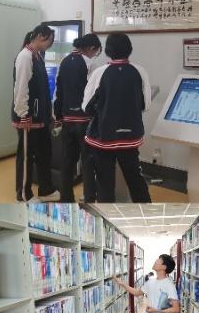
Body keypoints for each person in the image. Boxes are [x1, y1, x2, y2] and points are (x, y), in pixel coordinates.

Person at [83, 32, 153, 203]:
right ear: (129, 49)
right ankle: (146, 212)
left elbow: (86, 106)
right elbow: (146, 104)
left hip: (103, 137)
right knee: (135, 179)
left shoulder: (99, 73)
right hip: (130, 137)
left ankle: (107, 214)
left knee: (105, 183)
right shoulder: (140, 71)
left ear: (108, 50)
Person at [13, 24, 60, 203]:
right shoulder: (25, 56)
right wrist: (23, 114)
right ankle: (23, 194)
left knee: (44, 154)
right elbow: (21, 88)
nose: (50, 45)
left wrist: (50, 113)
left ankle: (46, 190)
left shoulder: (37, 55)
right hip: (28, 118)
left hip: (41, 117)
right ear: (40, 36)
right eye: (49, 41)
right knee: (26, 157)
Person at [54, 33, 103, 202]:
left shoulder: (65, 61)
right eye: (96, 51)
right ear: (91, 48)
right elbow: (95, 94)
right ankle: (89, 197)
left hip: (67, 120)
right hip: (85, 122)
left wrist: (58, 116)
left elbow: (58, 91)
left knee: (67, 161)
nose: (95, 55)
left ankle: (66, 198)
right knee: (88, 161)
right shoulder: (91, 64)